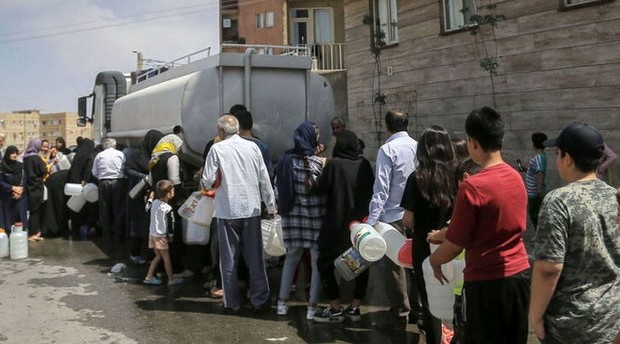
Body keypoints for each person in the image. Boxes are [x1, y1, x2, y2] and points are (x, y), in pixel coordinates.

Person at [429, 106, 530, 344]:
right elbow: (487, 224)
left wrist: (434, 261)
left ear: (472, 142)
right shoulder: (515, 177)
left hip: (487, 283)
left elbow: (455, 244)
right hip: (519, 276)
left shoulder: (473, 187)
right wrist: (440, 235)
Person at [529, 123, 619, 344]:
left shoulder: (558, 201)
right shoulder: (613, 195)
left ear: (567, 159)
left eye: (558, 154)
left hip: (571, 325)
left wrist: (535, 315)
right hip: (612, 321)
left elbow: (549, 268)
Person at [202, 114, 277, 313]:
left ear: (220, 131)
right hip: (251, 209)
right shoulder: (253, 147)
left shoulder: (216, 149)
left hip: (227, 211)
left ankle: (232, 302)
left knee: (229, 260)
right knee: (255, 258)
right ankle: (260, 300)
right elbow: (264, 179)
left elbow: (207, 181)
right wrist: (271, 206)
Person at [401, 125, 457, 344]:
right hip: (454, 245)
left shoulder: (416, 178)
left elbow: (408, 219)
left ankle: (434, 339)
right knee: (457, 297)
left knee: (430, 301)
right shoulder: (457, 175)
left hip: (424, 247)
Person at [314, 129, 374, 323]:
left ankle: (335, 307)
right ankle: (355, 305)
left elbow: (318, 190)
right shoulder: (364, 164)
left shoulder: (334, 165)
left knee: (324, 263)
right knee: (362, 264)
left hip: (335, 225)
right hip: (359, 227)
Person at [367, 109, 417, 326]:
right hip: (415, 214)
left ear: (387, 127)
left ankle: (401, 311)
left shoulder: (386, 149)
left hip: (393, 217)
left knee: (395, 268)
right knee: (416, 262)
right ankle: (419, 310)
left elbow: (381, 189)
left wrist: (371, 222)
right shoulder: (418, 147)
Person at [426, 158, 482, 344]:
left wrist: (435, 237)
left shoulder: (469, 196)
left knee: (464, 330)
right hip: (491, 277)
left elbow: (454, 231)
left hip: (466, 279)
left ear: (465, 178)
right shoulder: (496, 193)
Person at [275, 121, 325, 320]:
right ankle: (312, 308)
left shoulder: (285, 161)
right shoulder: (316, 163)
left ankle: (281, 304)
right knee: (316, 263)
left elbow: (277, 190)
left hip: (292, 219)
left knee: (290, 260)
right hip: (315, 220)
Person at [143, 179, 183, 286]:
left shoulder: (155, 203)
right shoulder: (168, 208)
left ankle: (149, 276)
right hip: (161, 237)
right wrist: (170, 236)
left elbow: (147, 207)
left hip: (152, 234)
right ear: (169, 194)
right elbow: (171, 225)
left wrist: (150, 199)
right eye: (173, 191)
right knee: (166, 258)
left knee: (157, 256)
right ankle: (171, 279)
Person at [91, 138, 126, 240]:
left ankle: (106, 233)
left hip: (103, 182)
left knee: (104, 207)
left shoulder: (99, 155)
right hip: (118, 181)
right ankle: (118, 233)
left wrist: (101, 176)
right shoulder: (120, 154)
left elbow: (94, 172)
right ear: (114, 145)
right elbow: (124, 167)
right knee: (118, 207)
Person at [22, 138, 48, 241]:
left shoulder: (25, 157)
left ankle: (33, 232)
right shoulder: (36, 158)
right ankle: (34, 233)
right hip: (37, 186)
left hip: (29, 186)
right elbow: (43, 170)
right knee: (36, 211)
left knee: (32, 210)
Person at [0, 146, 27, 233]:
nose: (15, 155)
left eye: (16, 153)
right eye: (12, 153)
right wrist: (13, 188)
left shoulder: (20, 166)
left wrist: (20, 190)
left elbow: (25, 179)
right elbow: (0, 181)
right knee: (9, 222)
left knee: (20, 219)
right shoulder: (2, 167)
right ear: (8, 154)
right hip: (7, 197)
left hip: (20, 196)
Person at [524, 132, 548, 229]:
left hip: (534, 193)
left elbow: (540, 173)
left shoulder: (538, 157)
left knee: (534, 215)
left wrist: (538, 190)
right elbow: (536, 171)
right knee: (535, 214)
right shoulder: (542, 156)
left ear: (534, 144)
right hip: (534, 192)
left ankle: (539, 236)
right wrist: (527, 170)